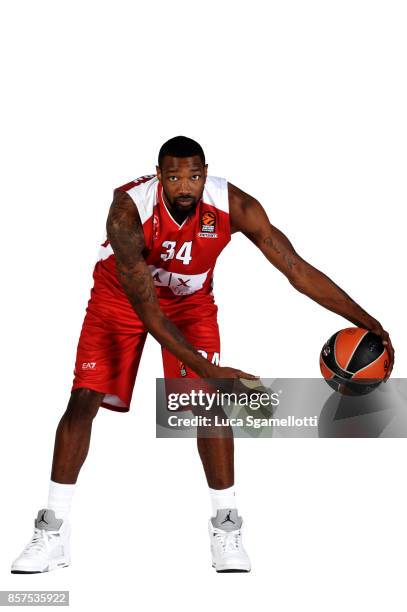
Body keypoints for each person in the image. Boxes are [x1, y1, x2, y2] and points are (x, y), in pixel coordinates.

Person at [11, 136, 394, 574]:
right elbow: (150, 315)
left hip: (190, 304)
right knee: (83, 400)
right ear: (159, 177)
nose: (185, 186)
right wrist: (212, 369)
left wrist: (369, 321)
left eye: (193, 176)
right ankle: (52, 530)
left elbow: (296, 268)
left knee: (208, 408)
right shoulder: (127, 212)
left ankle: (226, 526)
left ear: (205, 172)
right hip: (122, 300)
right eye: (174, 177)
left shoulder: (234, 206)